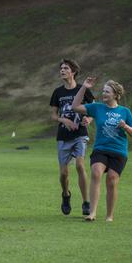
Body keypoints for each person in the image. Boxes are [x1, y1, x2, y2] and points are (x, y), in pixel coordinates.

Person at [72, 77, 132, 222]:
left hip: (119, 151)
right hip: (101, 149)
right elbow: (75, 106)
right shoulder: (97, 108)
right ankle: (92, 213)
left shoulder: (125, 112)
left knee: (112, 181)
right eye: (103, 91)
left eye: (107, 91)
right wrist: (84, 87)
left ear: (115, 94)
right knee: (96, 173)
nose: (104, 93)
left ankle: (109, 216)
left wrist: (125, 126)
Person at [50, 59, 94, 215]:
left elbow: (94, 110)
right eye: (61, 68)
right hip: (63, 136)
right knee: (63, 174)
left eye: (65, 68)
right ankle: (66, 194)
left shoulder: (84, 90)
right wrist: (65, 120)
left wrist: (88, 119)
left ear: (73, 72)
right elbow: (54, 116)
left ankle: (86, 202)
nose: (62, 70)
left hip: (80, 135)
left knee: (80, 166)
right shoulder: (58, 92)